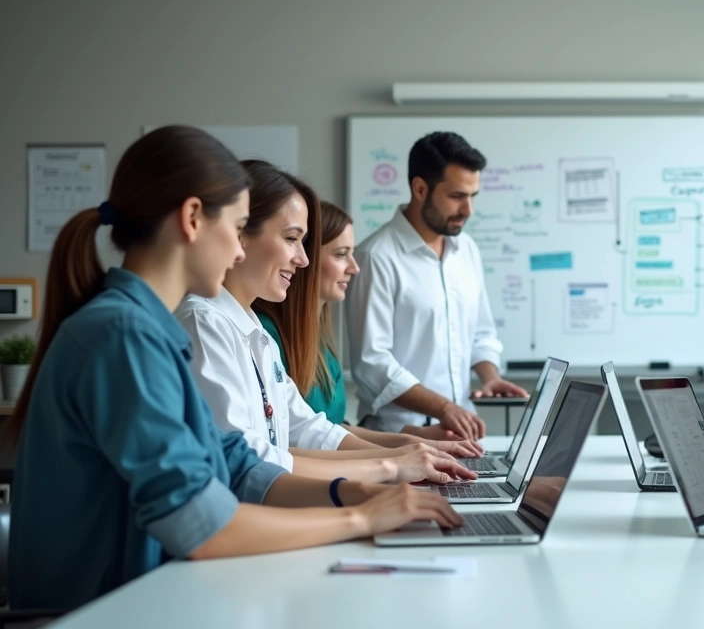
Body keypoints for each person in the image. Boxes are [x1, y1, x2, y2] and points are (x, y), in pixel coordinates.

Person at [6, 126, 463, 610]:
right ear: (192, 219)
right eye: (238, 227)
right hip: (100, 611)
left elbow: (237, 466)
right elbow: (199, 523)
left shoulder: (149, 330)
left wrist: (364, 490)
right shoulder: (125, 335)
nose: (240, 251)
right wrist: (363, 516)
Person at [176, 160, 476, 485]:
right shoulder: (204, 322)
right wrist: (390, 466)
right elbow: (248, 460)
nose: (303, 259)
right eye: (292, 238)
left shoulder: (252, 329)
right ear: (240, 234)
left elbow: (307, 428)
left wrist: (404, 455)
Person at [256, 200, 482, 457]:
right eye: (341, 254)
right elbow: (292, 443)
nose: (354, 267)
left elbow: (332, 429)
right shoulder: (266, 336)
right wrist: (400, 452)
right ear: (306, 258)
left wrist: (412, 440)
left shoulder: (319, 343)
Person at [346, 131, 527, 438]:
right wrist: (443, 407)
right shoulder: (375, 257)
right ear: (420, 188)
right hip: (398, 438)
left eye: (472, 196)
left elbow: (481, 333)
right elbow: (371, 364)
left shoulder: (466, 249)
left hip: (461, 431)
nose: (468, 210)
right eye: (457, 196)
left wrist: (489, 376)